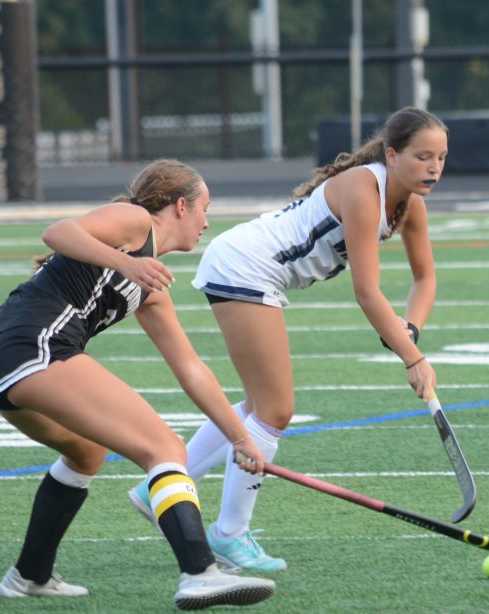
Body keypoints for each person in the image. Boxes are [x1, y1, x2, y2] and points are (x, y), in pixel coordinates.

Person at [128, 107, 446, 571]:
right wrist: (412, 358)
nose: (434, 167)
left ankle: (161, 483)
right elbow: (367, 291)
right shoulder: (364, 187)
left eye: (441, 157)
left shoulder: (409, 206)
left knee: (261, 406)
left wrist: (410, 330)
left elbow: (426, 278)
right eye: (423, 156)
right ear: (392, 154)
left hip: (254, 269)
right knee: (275, 410)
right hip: (247, 265)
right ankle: (229, 535)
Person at [0, 159, 276, 610]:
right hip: (32, 346)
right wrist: (124, 263)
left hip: (0, 358)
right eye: (204, 208)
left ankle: (29, 575)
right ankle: (199, 573)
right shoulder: (135, 222)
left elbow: (191, 369)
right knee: (165, 448)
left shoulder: (152, 285)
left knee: (86, 451)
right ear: (179, 206)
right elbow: (57, 232)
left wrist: (240, 438)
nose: (207, 221)